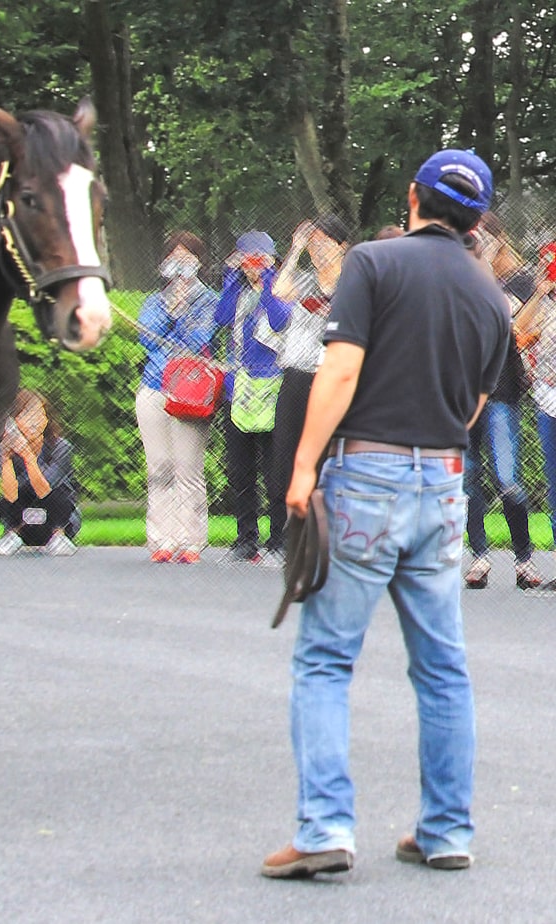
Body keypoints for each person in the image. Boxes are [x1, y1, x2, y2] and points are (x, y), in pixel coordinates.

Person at [262, 149, 509, 879]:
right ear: (475, 218)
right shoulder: (492, 298)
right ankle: (445, 831)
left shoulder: (373, 263)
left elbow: (339, 369)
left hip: (366, 474)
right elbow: (472, 407)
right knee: (442, 667)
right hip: (443, 482)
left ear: (413, 198)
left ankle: (325, 829)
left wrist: (304, 465)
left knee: (326, 657)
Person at [462, 211, 542, 589]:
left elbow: (519, 328)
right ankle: (479, 558)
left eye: (483, 237)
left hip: (501, 390)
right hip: (463, 390)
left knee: (508, 478)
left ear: (499, 237)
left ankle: (524, 562)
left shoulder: (521, 280)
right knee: (466, 476)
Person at [135, 231, 219, 563]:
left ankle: (191, 540)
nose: (180, 264)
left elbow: (199, 340)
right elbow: (150, 340)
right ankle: (161, 539)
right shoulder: (154, 302)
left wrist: (187, 306)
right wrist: (173, 307)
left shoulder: (210, 301)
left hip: (191, 391)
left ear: (199, 263)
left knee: (188, 466)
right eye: (174, 258)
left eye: (188, 258)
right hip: (155, 387)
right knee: (159, 466)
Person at [270, 214, 352, 550]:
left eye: (324, 242)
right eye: (313, 243)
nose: (318, 249)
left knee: (330, 456)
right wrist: (296, 249)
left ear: (342, 246)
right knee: (286, 453)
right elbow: (278, 291)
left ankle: (331, 530)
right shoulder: (303, 281)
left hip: (332, 379)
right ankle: (288, 532)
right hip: (297, 376)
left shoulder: (352, 283)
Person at [215, 231, 291, 562]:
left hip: (273, 387)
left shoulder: (283, 288)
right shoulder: (239, 290)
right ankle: (246, 538)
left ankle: (280, 538)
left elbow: (280, 320)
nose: (253, 266)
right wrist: (231, 277)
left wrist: (270, 278)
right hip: (240, 389)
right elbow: (220, 318)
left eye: (260, 258)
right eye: (248, 259)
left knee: (276, 468)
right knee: (240, 468)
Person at [0, 388, 81, 556]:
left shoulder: (61, 447)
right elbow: (9, 496)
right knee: (12, 488)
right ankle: (12, 536)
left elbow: (45, 489)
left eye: (39, 414)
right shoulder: (4, 451)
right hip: (23, 524)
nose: (34, 422)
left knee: (58, 490)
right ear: (14, 421)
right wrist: (6, 458)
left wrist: (28, 457)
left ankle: (59, 538)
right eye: (27, 416)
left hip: (59, 522)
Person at [513, 243, 556, 589]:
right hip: (548, 403)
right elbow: (517, 330)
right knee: (554, 484)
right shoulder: (544, 307)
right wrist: (540, 292)